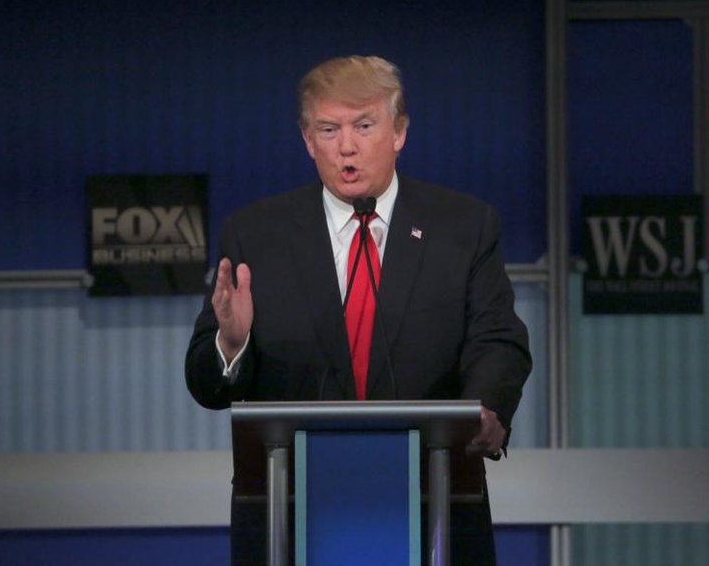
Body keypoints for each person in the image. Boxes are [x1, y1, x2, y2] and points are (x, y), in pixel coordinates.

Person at [185, 55, 531, 565]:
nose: (346, 146)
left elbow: (498, 339)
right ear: (307, 141)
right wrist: (230, 344)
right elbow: (206, 385)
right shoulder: (257, 235)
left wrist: (486, 407)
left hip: (433, 501)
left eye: (364, 126)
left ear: (399, 133)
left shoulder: (464, 226)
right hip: (291, 514)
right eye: (329, 129)